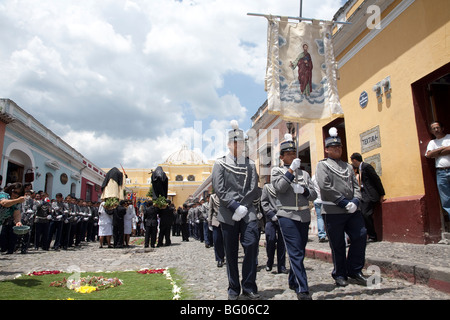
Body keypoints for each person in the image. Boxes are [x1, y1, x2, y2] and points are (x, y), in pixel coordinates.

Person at [211, 120, 260, 300]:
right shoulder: (220, 164)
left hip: (248, 212)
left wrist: (244, 207)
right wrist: (234, 206)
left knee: (252, 246)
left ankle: (249, 285)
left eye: (241, 143)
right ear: (228, 144)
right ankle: (233, 288)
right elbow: (219, 188)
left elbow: (254, 187)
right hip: (228, 213)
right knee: (230, 252)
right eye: (234, 142)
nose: (238, 145)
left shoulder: (251, 164)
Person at [316, 127, 369, 287]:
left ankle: (354, 269)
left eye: (339, 146)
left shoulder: (347, 166)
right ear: (327, 149)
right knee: (337, 244)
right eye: (333, 147)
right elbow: (324, 186)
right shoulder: (323, 165)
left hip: (353, 210)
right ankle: (339, 273)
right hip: (333, 210)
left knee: (360, 236)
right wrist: (344, 202)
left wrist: (356, 201)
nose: (337, 149)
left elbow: (356, 186)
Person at [271, 134, 317, 300]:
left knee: (300, 251)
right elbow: (280, 187)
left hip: (303, 215)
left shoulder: (304, 174)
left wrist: (304, 191)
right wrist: (290, 171)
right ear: (282, 157)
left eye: (294, 152)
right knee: (295, 252)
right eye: (288, 153)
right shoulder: (277, 171)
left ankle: (292, 279)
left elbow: (313, 194)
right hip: (287, 215)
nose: (292, 155)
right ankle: (302, 288)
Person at [350, 152, 386, 242]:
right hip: (364, 194)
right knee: (361, 213)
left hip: (369, 195)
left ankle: (372, 236)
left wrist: (382, 194)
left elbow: (376, 179)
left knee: (365, 214)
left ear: (354, 160)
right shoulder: (360, 169)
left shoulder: (366, 167)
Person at [425, 121, 450, 222]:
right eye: (433, 128)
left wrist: (437, 151)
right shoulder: (432, 143)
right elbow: (429, 155)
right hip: (441, 173)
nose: (436, 130)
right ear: (431, 131)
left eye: (437, 127)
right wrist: (444, 148)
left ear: (442, 128)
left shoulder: (448, 137)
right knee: (446, 200)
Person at [260, 182, 287, 274]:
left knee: (282, 242)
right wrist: (270, 214)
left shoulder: (284, 186)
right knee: (270, 239)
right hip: (270, 218)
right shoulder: (267, 187)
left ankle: (281, 265)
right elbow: (264, 202)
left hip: (283, 216)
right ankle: (270, 261)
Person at [0, 183, 25, 254]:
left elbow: (17, 213)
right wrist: (17, 200)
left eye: (18, 194)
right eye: (14, 192)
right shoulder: (4, 194)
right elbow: (4, 203)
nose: (16, 195)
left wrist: (18, 222)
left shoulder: (17, 202)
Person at [208, 193, 225, 267]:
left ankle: (225, 255)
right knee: (217, 240)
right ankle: (219, 259)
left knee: (226, 240)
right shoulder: (213, 197)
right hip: (216, 220)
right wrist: (209, 221)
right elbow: (210, 209)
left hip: (226, 220)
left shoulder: (226, 194)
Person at [312, 175, 327, 242]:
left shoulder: (313, 177)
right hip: (325, 200)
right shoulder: (324, 176)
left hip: (316, 200)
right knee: (327, 217)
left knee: (319, 217)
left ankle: (321, 234)